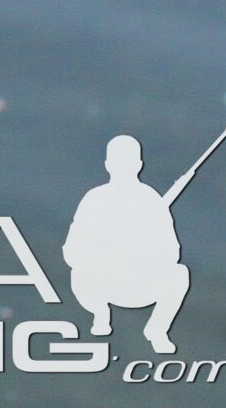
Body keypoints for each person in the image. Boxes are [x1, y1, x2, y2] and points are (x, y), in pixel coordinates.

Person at [65, 134, 195, 354]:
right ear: (108, 165)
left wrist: (143, 251)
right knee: (79, 274)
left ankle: (157, 330)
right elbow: (72, 251)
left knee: (179, 274)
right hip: (100, 284)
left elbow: (172, 252)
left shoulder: (151, 201)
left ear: (138, 165)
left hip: (140, 284)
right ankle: (100, 313)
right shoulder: (94, 199)